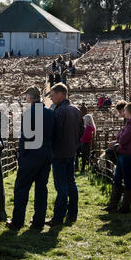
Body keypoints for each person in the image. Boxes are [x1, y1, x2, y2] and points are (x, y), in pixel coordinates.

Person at [6, 87, 55, 231]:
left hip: (31, 155)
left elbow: (25, 136)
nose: (25, 99)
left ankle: (17, 221)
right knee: (41, 188)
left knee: (21, 188)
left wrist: (21, 155)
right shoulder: (50, 113)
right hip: (46, 153)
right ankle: (38, 221)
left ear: (30, 97)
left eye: (26, 96)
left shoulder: (29, 113)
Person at [47, 84, 84, 226]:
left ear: (61, 94)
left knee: (61, 185)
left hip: (59, 153)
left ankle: (58, 217)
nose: (51, 97)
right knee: (71, 183)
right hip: (71, 151)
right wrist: (75, 144)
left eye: (53, 94)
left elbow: (55, 133)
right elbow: (81, 131)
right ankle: (72, 213)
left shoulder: (59, 111)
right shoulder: (76, 110)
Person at [104, 103, 131, 214]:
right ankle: (113, 205)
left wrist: (119, 138)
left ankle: (125, 207)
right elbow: (120, 136)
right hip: (124, 153)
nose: (123, 112)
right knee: (117, 178)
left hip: (129, 154)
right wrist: (120, 137)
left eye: (125, 110)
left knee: (127, 180)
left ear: (130, 112)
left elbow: (122, 139)